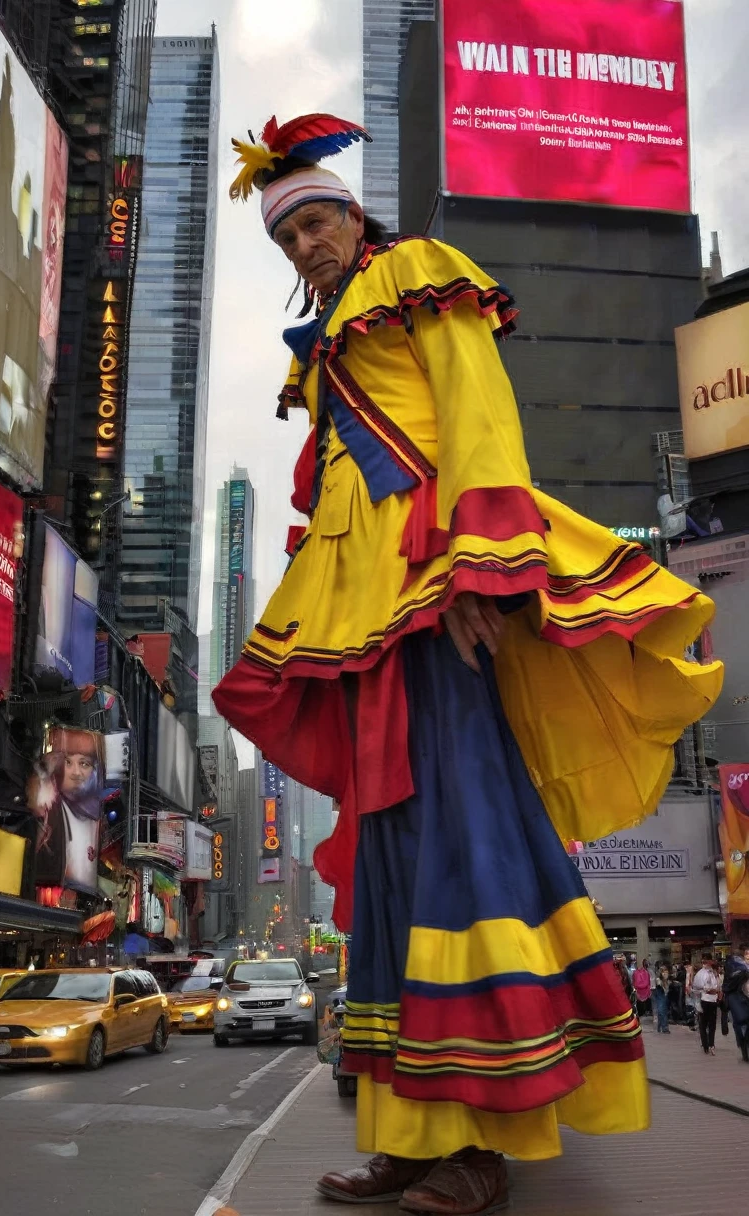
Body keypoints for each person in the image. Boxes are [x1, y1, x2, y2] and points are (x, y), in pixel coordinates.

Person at [214, 112, 723, 1212]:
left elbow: (479, 420)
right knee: (395, 860)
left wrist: (475, 576)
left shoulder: (419, 273)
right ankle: (409, 1132)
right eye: (284, 235)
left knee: (465, 839)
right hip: (361, 620)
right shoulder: (332, 341)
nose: (303, 243)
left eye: (313, 220)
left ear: (351, 215)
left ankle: (483, 1138)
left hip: (432, 592)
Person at [28, 726, 105, 894]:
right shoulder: (49, 804)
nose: (76, 772)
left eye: (84, 763)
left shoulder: (99, 815)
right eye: (68, 762)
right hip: (46, 893)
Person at [723, 944, 749, 1063]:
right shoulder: (736, 965)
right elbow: (731, 982)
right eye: (747, 954)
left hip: (743, 997)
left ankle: (744, 1047)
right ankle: (744, 1048)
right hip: (738, 998)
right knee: (741, 1022)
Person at [693, 955, 721, 1055]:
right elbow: (701, 988)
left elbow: (717, 986)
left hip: (713, 1001)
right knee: (703, 1024)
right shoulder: (701, 973)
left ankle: (711, 1044)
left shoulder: (713, 973)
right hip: (704, 1000)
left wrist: (717, 991)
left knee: (712, 1024)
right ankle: (706, 1044)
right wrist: (713, 990)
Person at [653, 964, 671, 1034]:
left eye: (666, 971)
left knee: (662, 1012)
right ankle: (664, 1027)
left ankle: (660, 1027)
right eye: (663, 971)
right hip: (661, 995)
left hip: (665, 996)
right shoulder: (658, 980)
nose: (665, 973)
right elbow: (659, 985)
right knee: (662, 1011)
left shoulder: (667, 980)